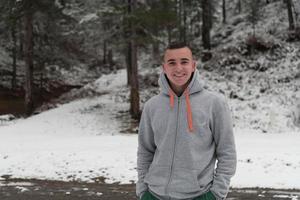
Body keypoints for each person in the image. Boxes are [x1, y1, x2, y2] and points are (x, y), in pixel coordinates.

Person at [136, 42, 237, 200]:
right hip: (153, 195)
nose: (178, 68)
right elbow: (145, 151)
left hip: (199, 195)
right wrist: (143, 191)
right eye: (172, 63)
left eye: (184, 62)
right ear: (164, 67)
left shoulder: (214, 104)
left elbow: (227, 152)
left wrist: (216, 194)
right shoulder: (152, 106)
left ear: (193, 65)